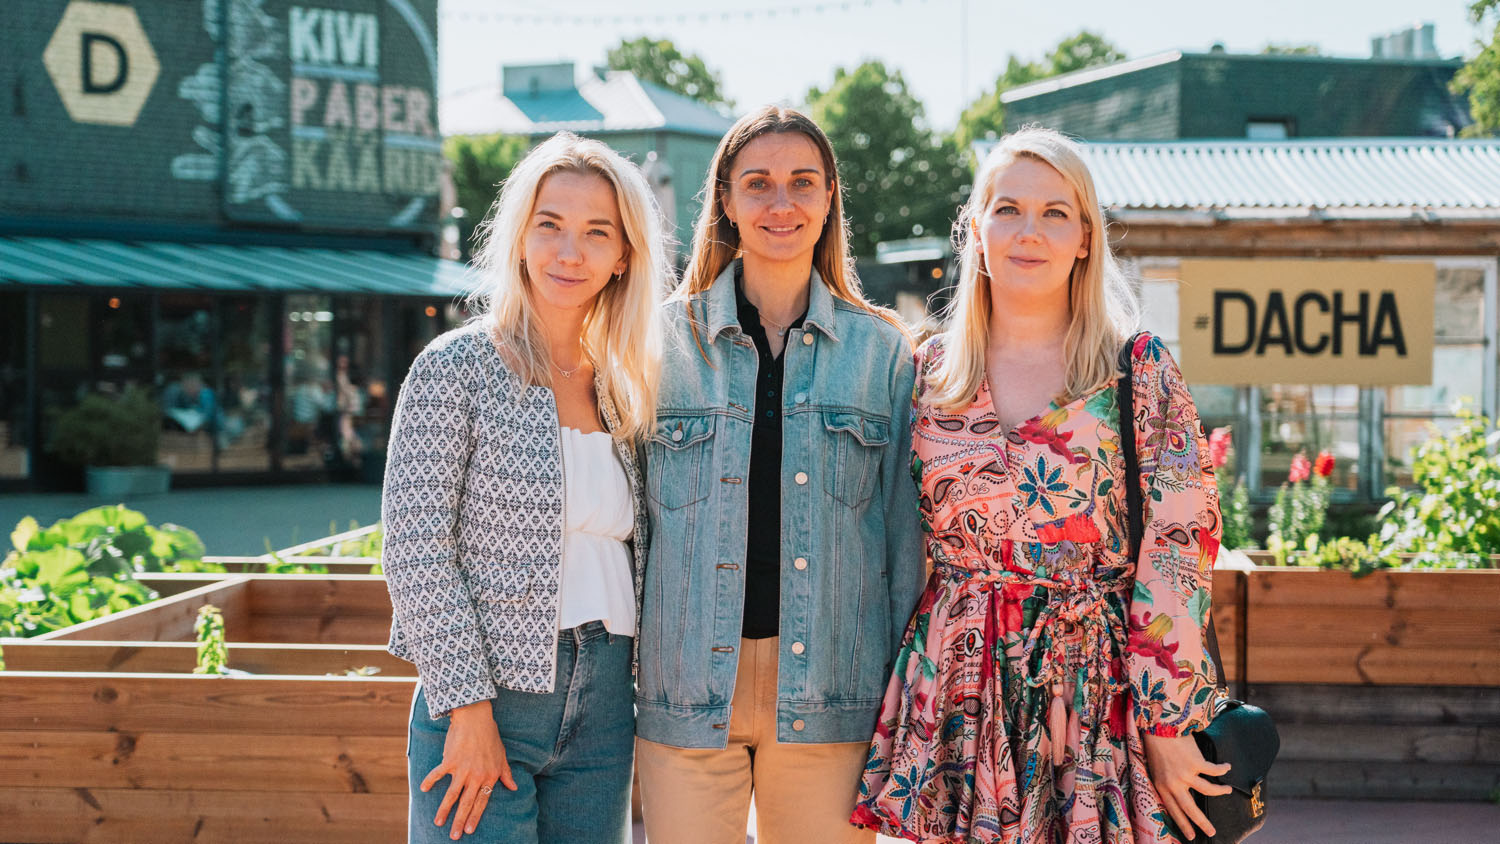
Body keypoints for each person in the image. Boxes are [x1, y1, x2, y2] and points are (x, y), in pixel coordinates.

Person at [851, 127, 1231, 844]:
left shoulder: (1133, 367)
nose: (1030, 232)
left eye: (1056, 212)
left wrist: (1165, 715)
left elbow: (1183, 540)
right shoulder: (924, 372)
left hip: (1100, 694)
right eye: (1009, 209)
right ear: (975, 229)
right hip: (958, 694)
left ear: (1085, 238)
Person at [634, 105, 926, 844]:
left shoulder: (882, 354)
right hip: (687, 695)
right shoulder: (655, 344)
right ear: (726, 203)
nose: (781, 203)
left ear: (829, 198)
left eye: (802, 182)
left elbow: (901, 542)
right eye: (757, 184)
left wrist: (902, 700)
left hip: (833, 691)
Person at [380, 132, 665, 844]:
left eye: (597, 233)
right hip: (486, 698)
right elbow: (415, 547)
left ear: (624, 254)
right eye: (551, 226)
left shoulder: (627, 388)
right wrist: (468, 710)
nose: (570, 253)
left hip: (605, 704)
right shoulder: (456, 369)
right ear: (519, 236)